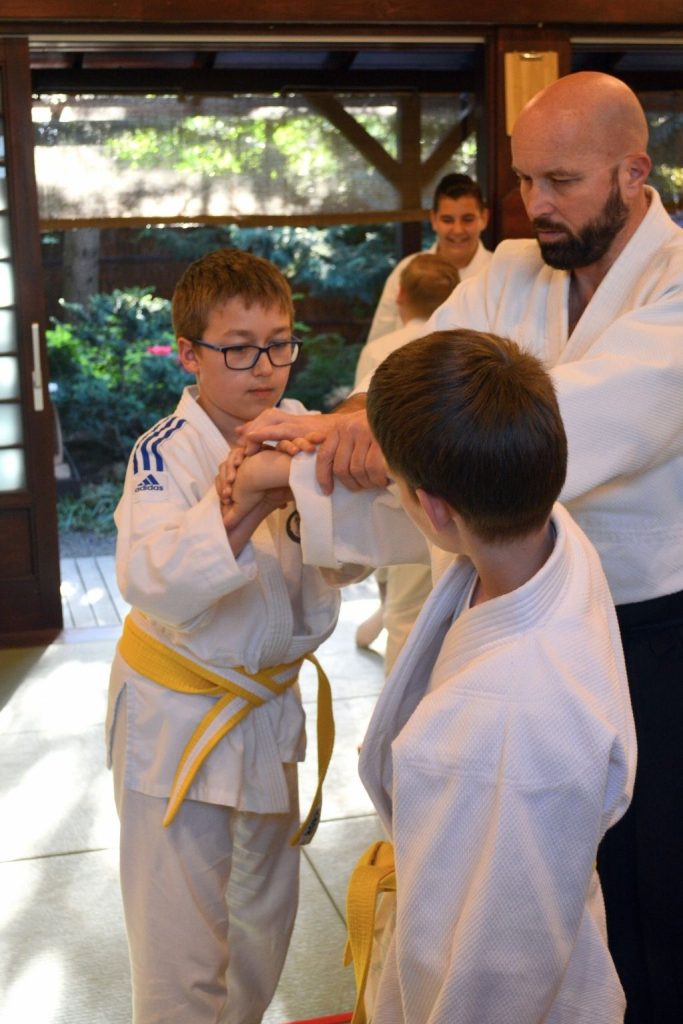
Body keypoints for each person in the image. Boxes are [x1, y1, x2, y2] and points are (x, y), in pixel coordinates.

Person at [238, 71, 683, 1024]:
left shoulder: (679, 285)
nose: (535, 204)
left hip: (652, 626)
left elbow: (538, 426)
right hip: (504, 594)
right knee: (500, 867)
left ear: (633, 172)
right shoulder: (508, 270)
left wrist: (351, 435)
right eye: (525, 180)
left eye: (561, 180)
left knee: (648, 886)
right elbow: (414, 371)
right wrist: (349, 418)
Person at [105, 248, 401, 1024]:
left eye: (279, 341)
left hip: (269, 714)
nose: (264, 366)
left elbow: (348, 562)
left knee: (262, 931)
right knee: (182, 952)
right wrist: (251, 490)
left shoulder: (305, 427)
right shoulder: (164, 451)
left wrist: (314, 480)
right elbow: (151, 578)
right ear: (191, 353)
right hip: (178, 721)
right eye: (238, 347)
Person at [345, 328, 636, 1023]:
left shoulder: (509, 716)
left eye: (399, 486)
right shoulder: (551, 537)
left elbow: (503, 965)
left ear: (436, 509)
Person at [353, 253, 460, 670]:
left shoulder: (381, 349)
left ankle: (396, 732)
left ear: (399, 298)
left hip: (398, 493)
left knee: (403, 615)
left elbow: (361, 422)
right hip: (453, 496)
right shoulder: (464, 343)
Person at [364, 172, 491, 344]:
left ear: (483, 218)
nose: (458, 230)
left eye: (467, 219)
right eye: (447, 220)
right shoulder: (408, 269)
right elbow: (379, 341)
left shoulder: (497, 272)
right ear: (433, 219)